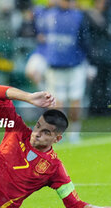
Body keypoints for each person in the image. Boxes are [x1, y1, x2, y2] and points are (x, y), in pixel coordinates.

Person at [42, 0, 90, 143]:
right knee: (60, 103)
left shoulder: (77, 16)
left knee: (72, 102)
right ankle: (64, 133)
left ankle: (71, 132)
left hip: (72, 65)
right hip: (58, 65)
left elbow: (85, 41)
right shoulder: (50, 14)